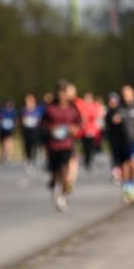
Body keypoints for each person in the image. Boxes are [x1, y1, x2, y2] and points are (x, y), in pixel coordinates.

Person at [40, 80, 82, 212]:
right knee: (55, 171)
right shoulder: (50, 108)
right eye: (60, 92)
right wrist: (50, 130)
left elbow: (79, 123)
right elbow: (42, 125)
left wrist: (74, 130)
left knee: (64, 170)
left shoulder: (72, 108)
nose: (62, 95)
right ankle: (54, 184)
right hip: (53, 145)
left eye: (64, 92)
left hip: (66, 144)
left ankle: (62, 196)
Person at [104, 91, 134, 204]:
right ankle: (126, 188)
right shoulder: (116, 110)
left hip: (133, 140)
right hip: (121, 141)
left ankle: (132, 185)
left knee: (133, 163)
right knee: (125, 164)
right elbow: (109, 123)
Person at [76, 90, 103, 172]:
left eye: (89, 98)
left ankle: (90, 161)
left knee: (91, 146)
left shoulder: (95, 106)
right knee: (85, 146)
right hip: (84, 130)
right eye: (86, 98)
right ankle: (86, 161)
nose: (87, 100)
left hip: (93, 130)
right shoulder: (82, 106)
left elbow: (97, 116)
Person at [20, 93, 44, 174]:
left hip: (35, 131)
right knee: (27, 146)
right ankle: (28, 160)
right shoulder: (24, 110)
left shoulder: (38, 109)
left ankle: (34, 160)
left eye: (30, 101)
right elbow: (21, 120)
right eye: (27, 101)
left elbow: (41, 119)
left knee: (35, 146)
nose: (28, 102)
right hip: (27, 131)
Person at [0, 100, 17, 164]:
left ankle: (7, 155)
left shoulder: (13, 112)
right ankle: (3, 154)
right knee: (3, 143)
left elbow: (15, 120)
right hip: (3, 130)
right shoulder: (2, 111)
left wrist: (14, 126)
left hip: (10, 129)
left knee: (9, 142)